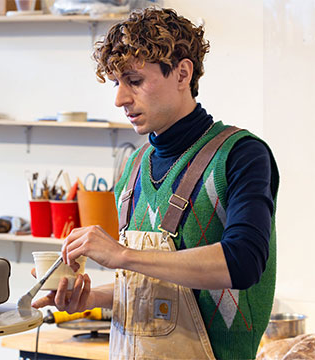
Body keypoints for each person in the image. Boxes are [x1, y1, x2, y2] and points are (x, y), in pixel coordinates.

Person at [32, 7, 279, 360]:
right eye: (117, 83)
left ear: (182, 73)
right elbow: (152, 288)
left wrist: (122, 255)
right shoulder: (134, 168)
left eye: (134, 81)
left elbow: (242, 262)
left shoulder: (240, 155)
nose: (120, 99)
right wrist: (91, 298)